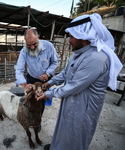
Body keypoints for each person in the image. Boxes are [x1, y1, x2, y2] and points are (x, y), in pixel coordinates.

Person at [36, 13, 123, 150]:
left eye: (71, 36)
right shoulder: (81, 52)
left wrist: (48, 94)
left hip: (84, 108)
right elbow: (66, 72)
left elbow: (73, 86)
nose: (69, 40)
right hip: (72, 102)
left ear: (83, 35)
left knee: (75, 135)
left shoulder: (96, 58)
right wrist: (50, 83)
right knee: (64, 128)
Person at [15, 28, 59, 132]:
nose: (32, 47)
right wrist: (24, 84)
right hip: (31, 79)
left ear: (38, 38)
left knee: (41, 101)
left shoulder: (48, 46)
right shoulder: (23, 51)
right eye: (28, 45)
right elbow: (19, 69)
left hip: (45, 80)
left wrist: (48, 73)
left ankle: (37, 121)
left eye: (34, 44)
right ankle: (30, 118)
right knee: (30, 100)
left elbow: (55, 62)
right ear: (25, 41)